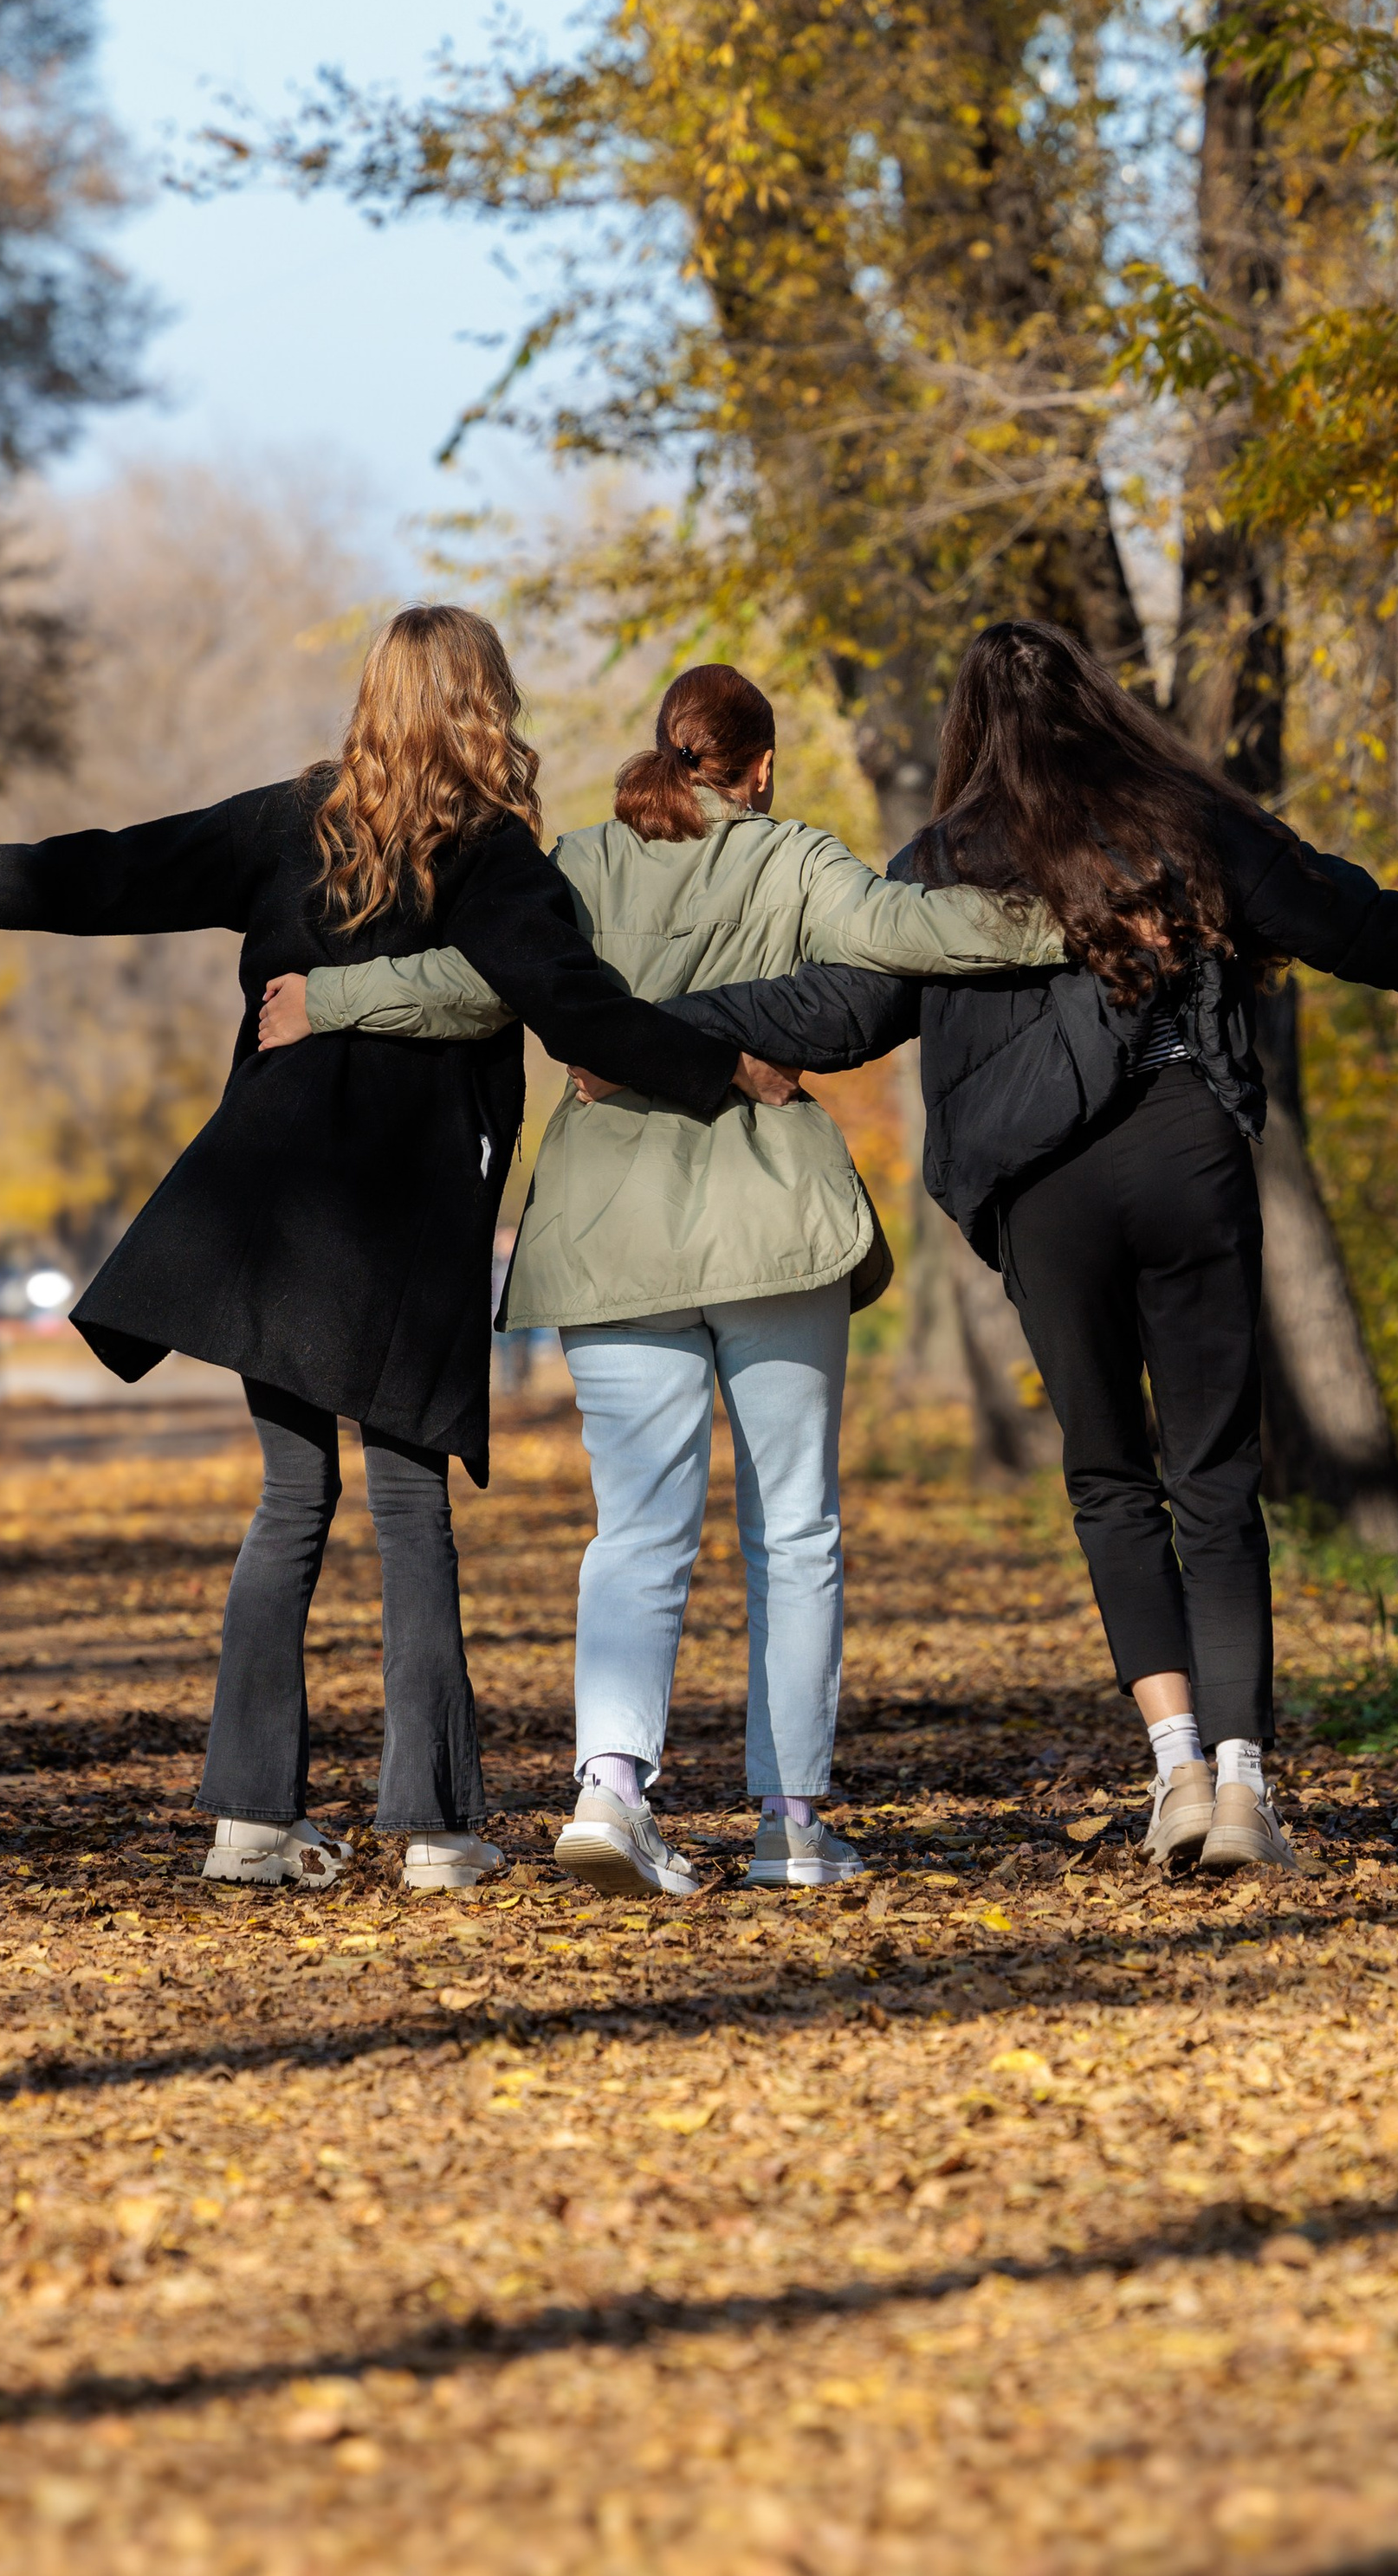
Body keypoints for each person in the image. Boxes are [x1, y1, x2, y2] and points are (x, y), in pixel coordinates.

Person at [646, 618, 1398, 1876]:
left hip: (1048, 1197)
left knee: (1110, 1476)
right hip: (1187, 1159)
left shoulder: (939, 859)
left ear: (969, 734)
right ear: (1100, 707)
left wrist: (653, 1025)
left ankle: (1178, 1772)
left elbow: (843, 1007)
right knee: (1217, 1471)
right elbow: (1358, 925)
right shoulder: (1186, 822)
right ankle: (1249, 1784)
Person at [0, 604, 777, 1896]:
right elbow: (577, 1006)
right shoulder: (499, 855)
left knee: (290, 1504)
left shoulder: (296, 822)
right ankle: (442, 1833)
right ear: (486, 704)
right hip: (402, 1219)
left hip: (263, 1213)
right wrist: (718, 1066)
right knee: (409, 1513)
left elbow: (108, 871)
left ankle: (249, 1823)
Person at [262, 661, 1067, 1900]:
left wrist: (333, 996)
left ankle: (612, 1790)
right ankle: (791, 1822)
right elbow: (913, 932)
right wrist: (1067, 923)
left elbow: (470, 985)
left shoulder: (575, 866)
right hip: (769, 1224)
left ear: (662, 751)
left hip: (609, 1233)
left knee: (636, 1528)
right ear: (756, 766)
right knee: (794, 1525)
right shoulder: (793, 856)